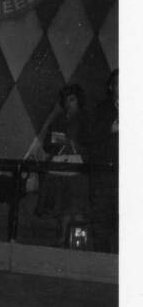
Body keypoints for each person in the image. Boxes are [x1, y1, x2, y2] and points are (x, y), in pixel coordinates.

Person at [35, 84, 90, 247]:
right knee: (63, 207)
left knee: (77, 208)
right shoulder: (58, 119)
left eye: (72, 99)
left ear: (78, 100)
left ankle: (79, 243)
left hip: (78, 169)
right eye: (66, 99)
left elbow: (91, 142)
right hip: (61, 168)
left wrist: (72, 143)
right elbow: (48, 143)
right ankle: (63, 238)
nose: (68, 103)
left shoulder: (86, 119)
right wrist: (59, 141)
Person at [86, 69, 118, 253]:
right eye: (119, 83)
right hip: (105, 175)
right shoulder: (100, 110)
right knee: (102, 221)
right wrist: (109, 130)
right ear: (111, 87)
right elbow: (89, 140)